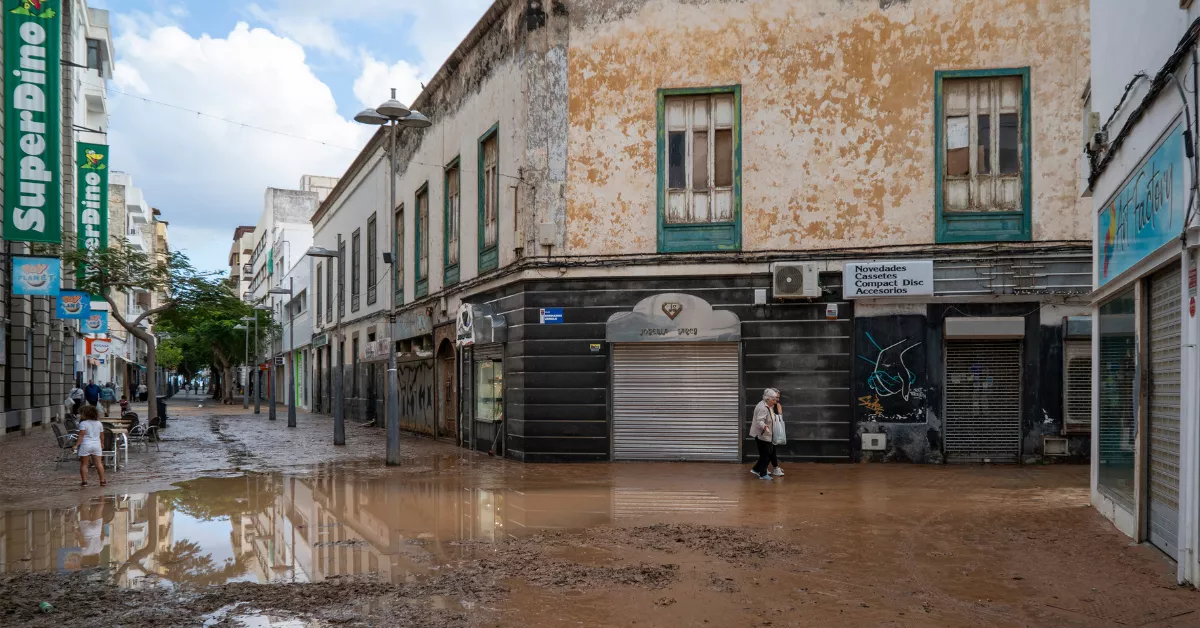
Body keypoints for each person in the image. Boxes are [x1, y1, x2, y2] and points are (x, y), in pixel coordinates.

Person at [749, 388, 783, 480]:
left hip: (767, 433)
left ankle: (757, 470)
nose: (775, 401)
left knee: (767, 454)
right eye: (774, 399)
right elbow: (760, 421)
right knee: (766, 454)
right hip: (763, 434)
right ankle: (762, 474)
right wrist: (765, 427)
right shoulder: (763, 407)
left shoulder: (769, 406)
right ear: (768, 399)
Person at [73, 406, 107, 487]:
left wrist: (76, 445)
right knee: (99, 464)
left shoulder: (83, 424)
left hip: (86, 445)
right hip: (96, 445)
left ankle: (84, 482)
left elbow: (81, 436)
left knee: (84, 464)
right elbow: (102, 436)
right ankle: (102, 481)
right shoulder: (99, 423)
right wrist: (102, 443)